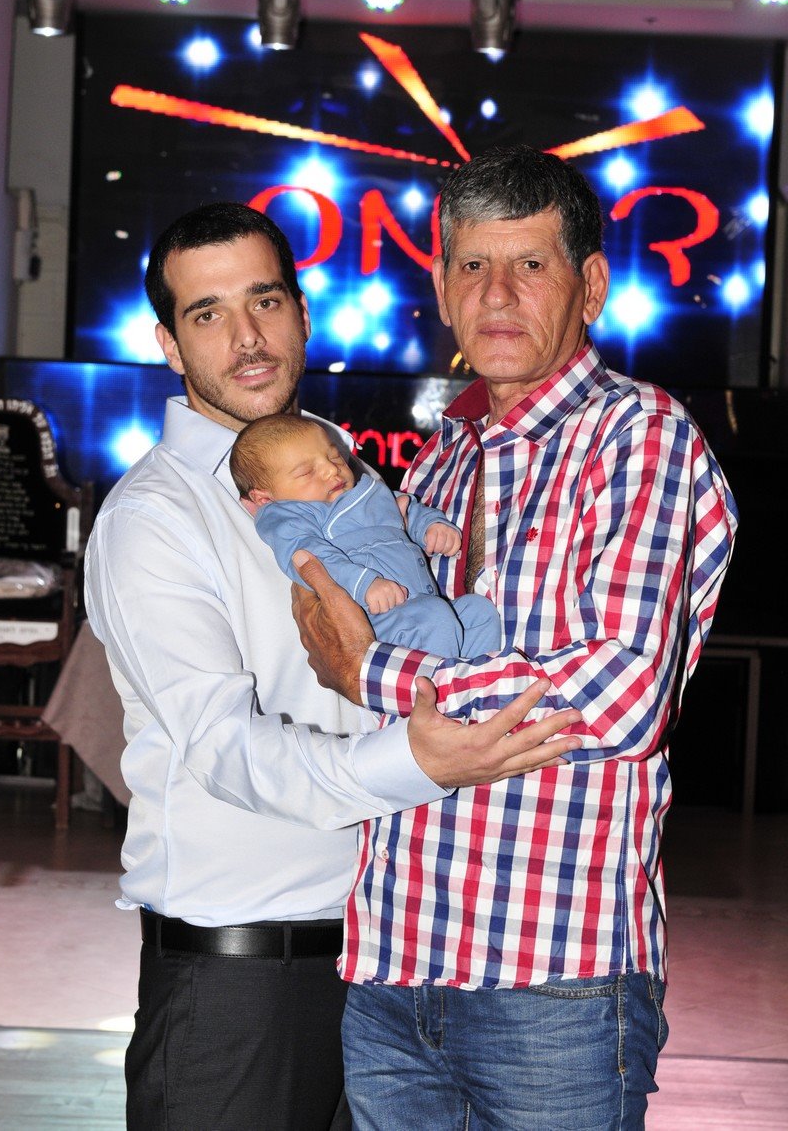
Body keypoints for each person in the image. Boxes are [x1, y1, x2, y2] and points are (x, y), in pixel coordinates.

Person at [83, 200, 583, 1131]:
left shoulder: (346, 472)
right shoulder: (152, 519)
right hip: (240, 988)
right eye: (208, 314)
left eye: (265, 301)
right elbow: (226, 748)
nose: (247, 338)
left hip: (393, 971)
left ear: (303, 314)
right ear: (169, 344)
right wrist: (418, 761)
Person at [291, 145, 739, 1130]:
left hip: (552, 981)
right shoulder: (440, 463)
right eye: (471, 265)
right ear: (441, 287)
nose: (496, 293)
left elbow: (621, 692)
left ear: (590, 286)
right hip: (394, 964)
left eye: (530, 264)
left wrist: (371, 668)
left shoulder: (639, 437)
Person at [230, 413, 501, 658]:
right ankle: (437, 690)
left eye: (335, 457)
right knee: (435, 616)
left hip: (422, 606)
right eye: (306, 472)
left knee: (479, 612)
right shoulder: (288, 517)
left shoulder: (365, 493)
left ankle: (476, 684)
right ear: (265, 498)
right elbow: (311, 558)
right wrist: (364, 584)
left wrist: (431, 526)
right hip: (374, 619)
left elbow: (403, 507)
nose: (331, 470)